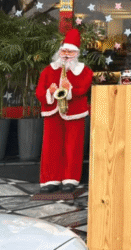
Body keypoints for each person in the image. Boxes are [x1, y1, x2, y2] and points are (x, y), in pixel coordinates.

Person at [35, 29, 93, 193]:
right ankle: (50, 179)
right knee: (51, 146)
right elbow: (39, 91)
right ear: (59, 52)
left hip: (74, 112)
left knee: (73, 146)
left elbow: (84, 88)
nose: (66, 55)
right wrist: (50, 92)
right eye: (64, 51)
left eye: (70, 52)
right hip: (52, 112)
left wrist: (70, 89)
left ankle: (70, 179)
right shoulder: (48, 70)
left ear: (77, 53)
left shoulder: (84, 70)